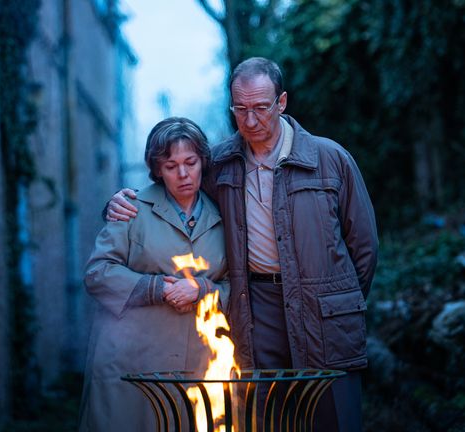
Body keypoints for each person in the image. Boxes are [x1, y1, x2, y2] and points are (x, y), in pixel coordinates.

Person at [105, 57, 378, 432]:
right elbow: (175, 185)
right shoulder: (219, 164)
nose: (250, 121)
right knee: (267, 416)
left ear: (281, 103)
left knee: (333, 418)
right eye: (240, 109)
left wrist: (336, 299)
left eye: (261, 108)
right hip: (256, 308)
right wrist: (122, 201)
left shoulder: (329, 159)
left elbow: (364, 247)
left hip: (325, 311)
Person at [79, 117, 229, 432]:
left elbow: (234, 286)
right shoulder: (131, 209)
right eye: (171, 165)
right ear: (157, 169)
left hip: (196, 364)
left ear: (203, 161)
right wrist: (155, 287)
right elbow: (97, 273)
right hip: (131, 362)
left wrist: (201, 289)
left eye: (191, 162)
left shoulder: (223, 216)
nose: (184, 174)